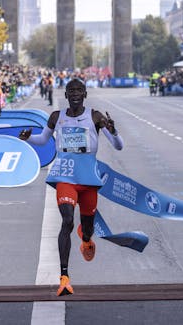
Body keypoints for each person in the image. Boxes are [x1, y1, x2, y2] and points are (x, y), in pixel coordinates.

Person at [18, 78, 124, 296]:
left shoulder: (95, 116)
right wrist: (29, 139)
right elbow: (43, 139)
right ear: (66, 95)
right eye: (71, 91)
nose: (75, 93)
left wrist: (113, 132)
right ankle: (64, 277)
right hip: (65, 175)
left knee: (87, 227)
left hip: (88, 179)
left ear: (84, 94)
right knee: (67, 220)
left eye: (79, 90)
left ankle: (86, 240)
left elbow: (118, 146)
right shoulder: (57, 116)